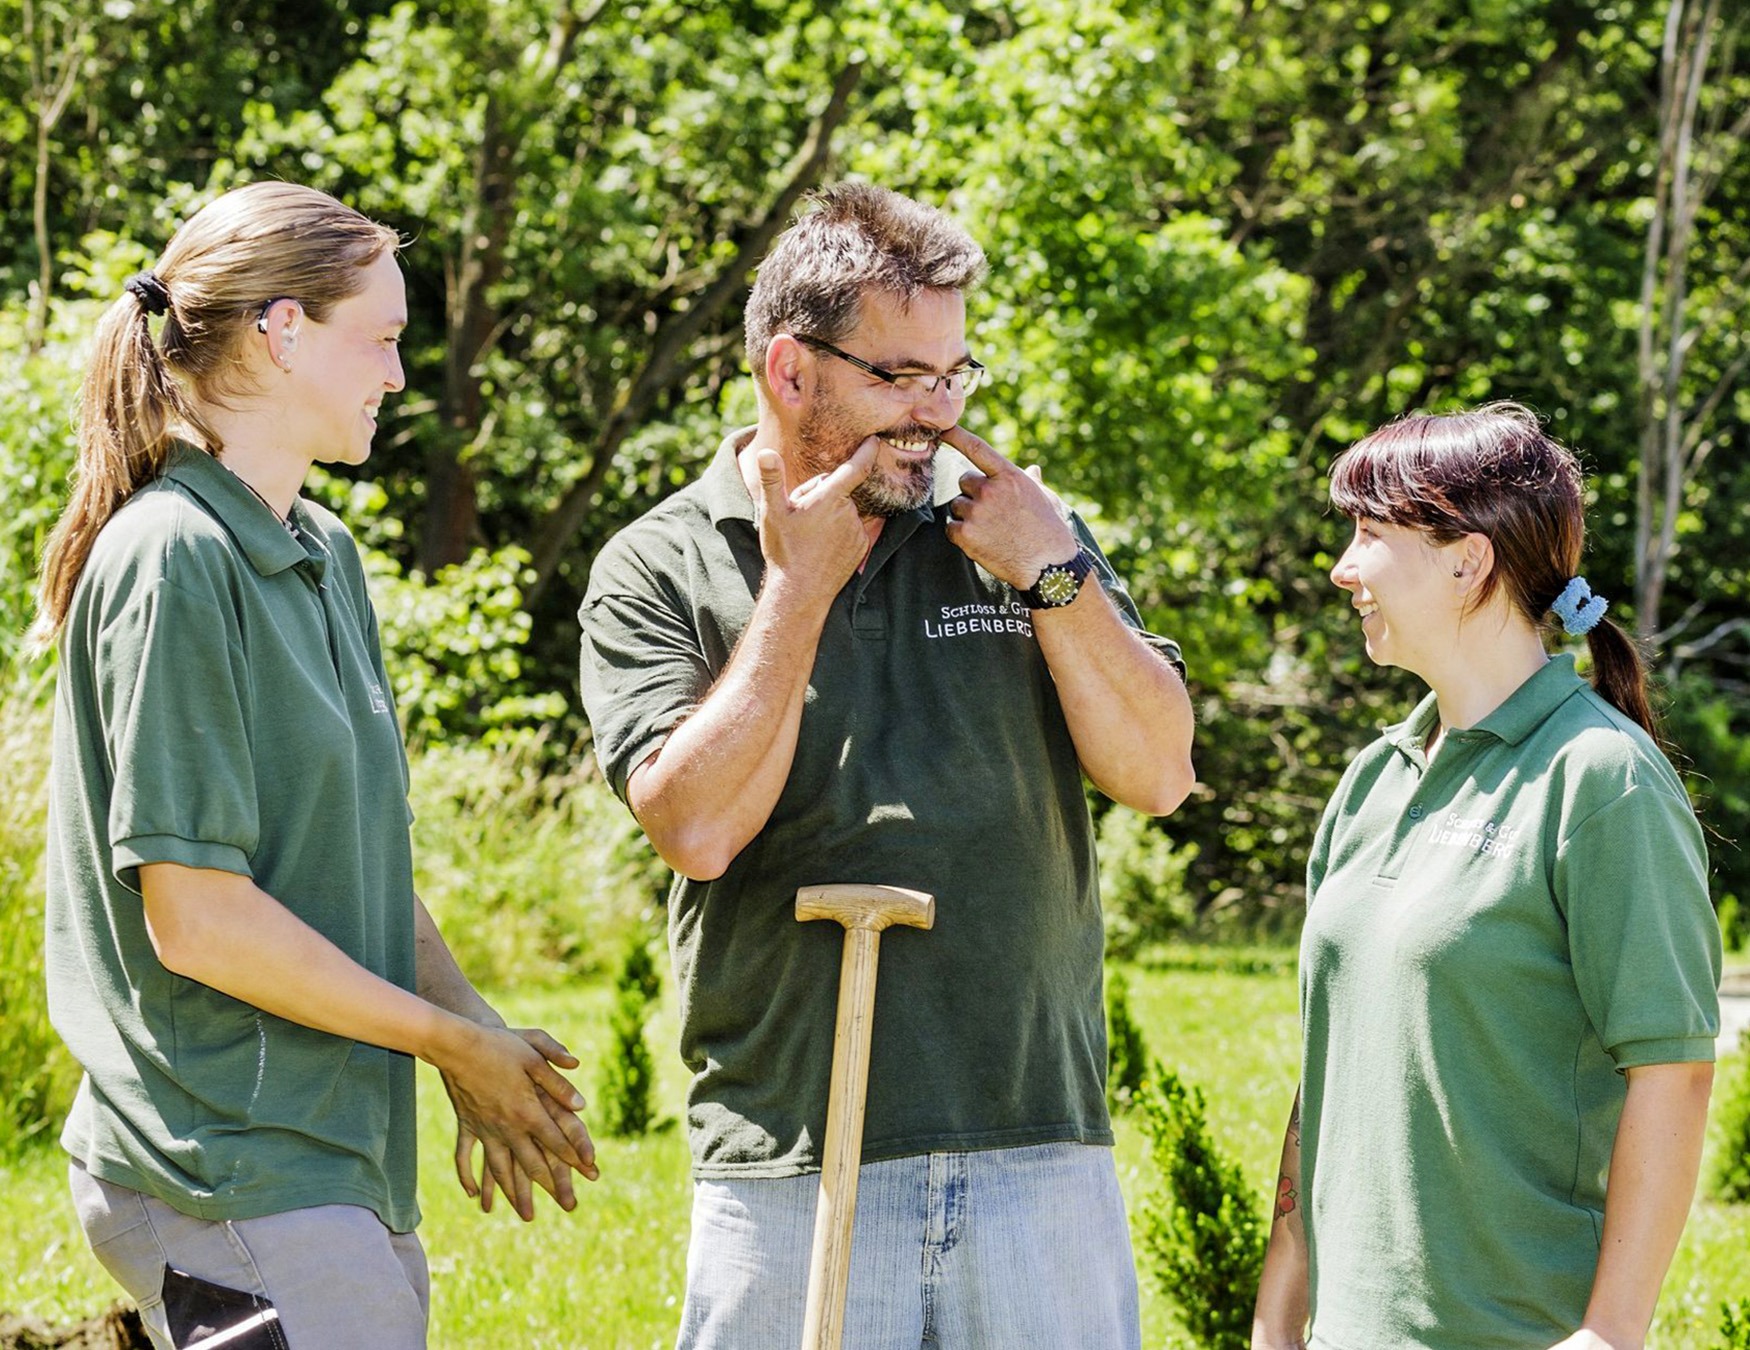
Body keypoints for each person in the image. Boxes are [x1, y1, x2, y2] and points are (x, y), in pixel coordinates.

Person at [577, 181, 1195, 1348]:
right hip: (791, 1153)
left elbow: (1158, 771)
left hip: (1035, 1142)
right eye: (900, 377)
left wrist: (1053, 574)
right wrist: (798, 586)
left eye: (954, 376)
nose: (934, 411)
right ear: (789, 370)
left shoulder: (1017, 530)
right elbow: (697, 827)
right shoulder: (661, 565)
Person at [33, 181, 596, 1350]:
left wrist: (474, 1030)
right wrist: (448, 1045)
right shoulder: (173, 557)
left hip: (325, 1164)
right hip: (218, 1164)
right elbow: (198, 922)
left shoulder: (318, 550)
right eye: (381, 340)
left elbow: (352, 861)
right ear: (282, 331)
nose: (398, 376)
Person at [1251, 404, 1722, 1350]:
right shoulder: (1374, 776)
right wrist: (1279, 1313)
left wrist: (1611, 1333)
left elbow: (1672, 1070)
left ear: (1468, 562)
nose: (1343, 568)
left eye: (1370, 535)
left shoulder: (1602, 779)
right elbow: (1325, 1061)